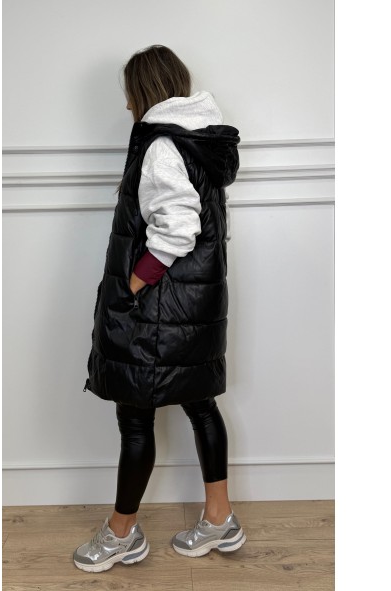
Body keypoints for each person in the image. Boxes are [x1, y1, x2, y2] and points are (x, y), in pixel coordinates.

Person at [74, 45, 246, 573]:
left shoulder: (161, 144)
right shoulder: (200, 139)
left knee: (135, 418)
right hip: (195, 306)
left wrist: (131, 285)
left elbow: (178, 228)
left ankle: (121, 534)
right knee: (201, 404)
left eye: (129, 93)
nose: (127, 104)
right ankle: (220, 519)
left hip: (158, 311)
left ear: (142, 90)